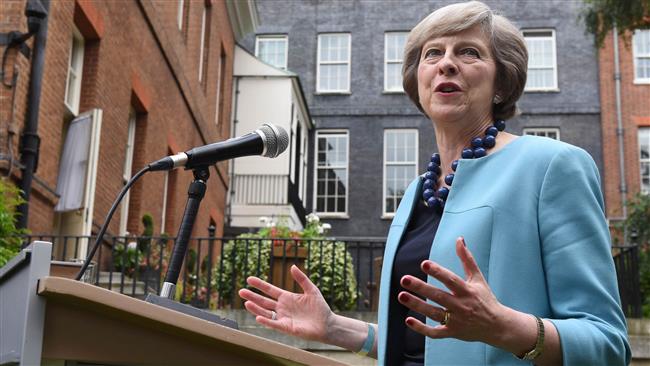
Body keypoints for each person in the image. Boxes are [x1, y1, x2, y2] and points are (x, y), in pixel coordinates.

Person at [239, 1, 631, 365]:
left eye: (469, 52)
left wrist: (503, 328)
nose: (446, 64)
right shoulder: (415, 193)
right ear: (418, 82)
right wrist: (334, 328)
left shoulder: (553, 166)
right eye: (433, 54)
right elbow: (429, 337)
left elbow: (608, 343)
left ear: (501, 82)